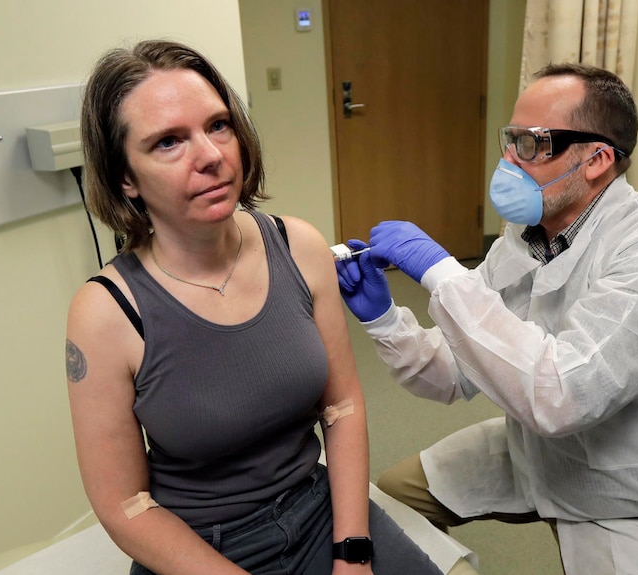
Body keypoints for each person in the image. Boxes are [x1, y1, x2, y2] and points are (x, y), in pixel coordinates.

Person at [336, 62, 638, 574]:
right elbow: (452, 373)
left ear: (596, 159)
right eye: (510, 140)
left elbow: (564, 395)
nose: (509, 159)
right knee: (393, 502)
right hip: (541, 453)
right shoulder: (524, 238)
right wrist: (384, 320)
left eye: (532, 143)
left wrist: (445, 275)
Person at [65, 39, 444, 575]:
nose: (212, 156)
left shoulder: (300, 247)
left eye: (218, 125)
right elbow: (125, 507)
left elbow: (343, 408)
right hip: (200, 549)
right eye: (169, 142)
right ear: (125, 177)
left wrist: (352, 552)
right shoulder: (106, 313)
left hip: (320, 513)